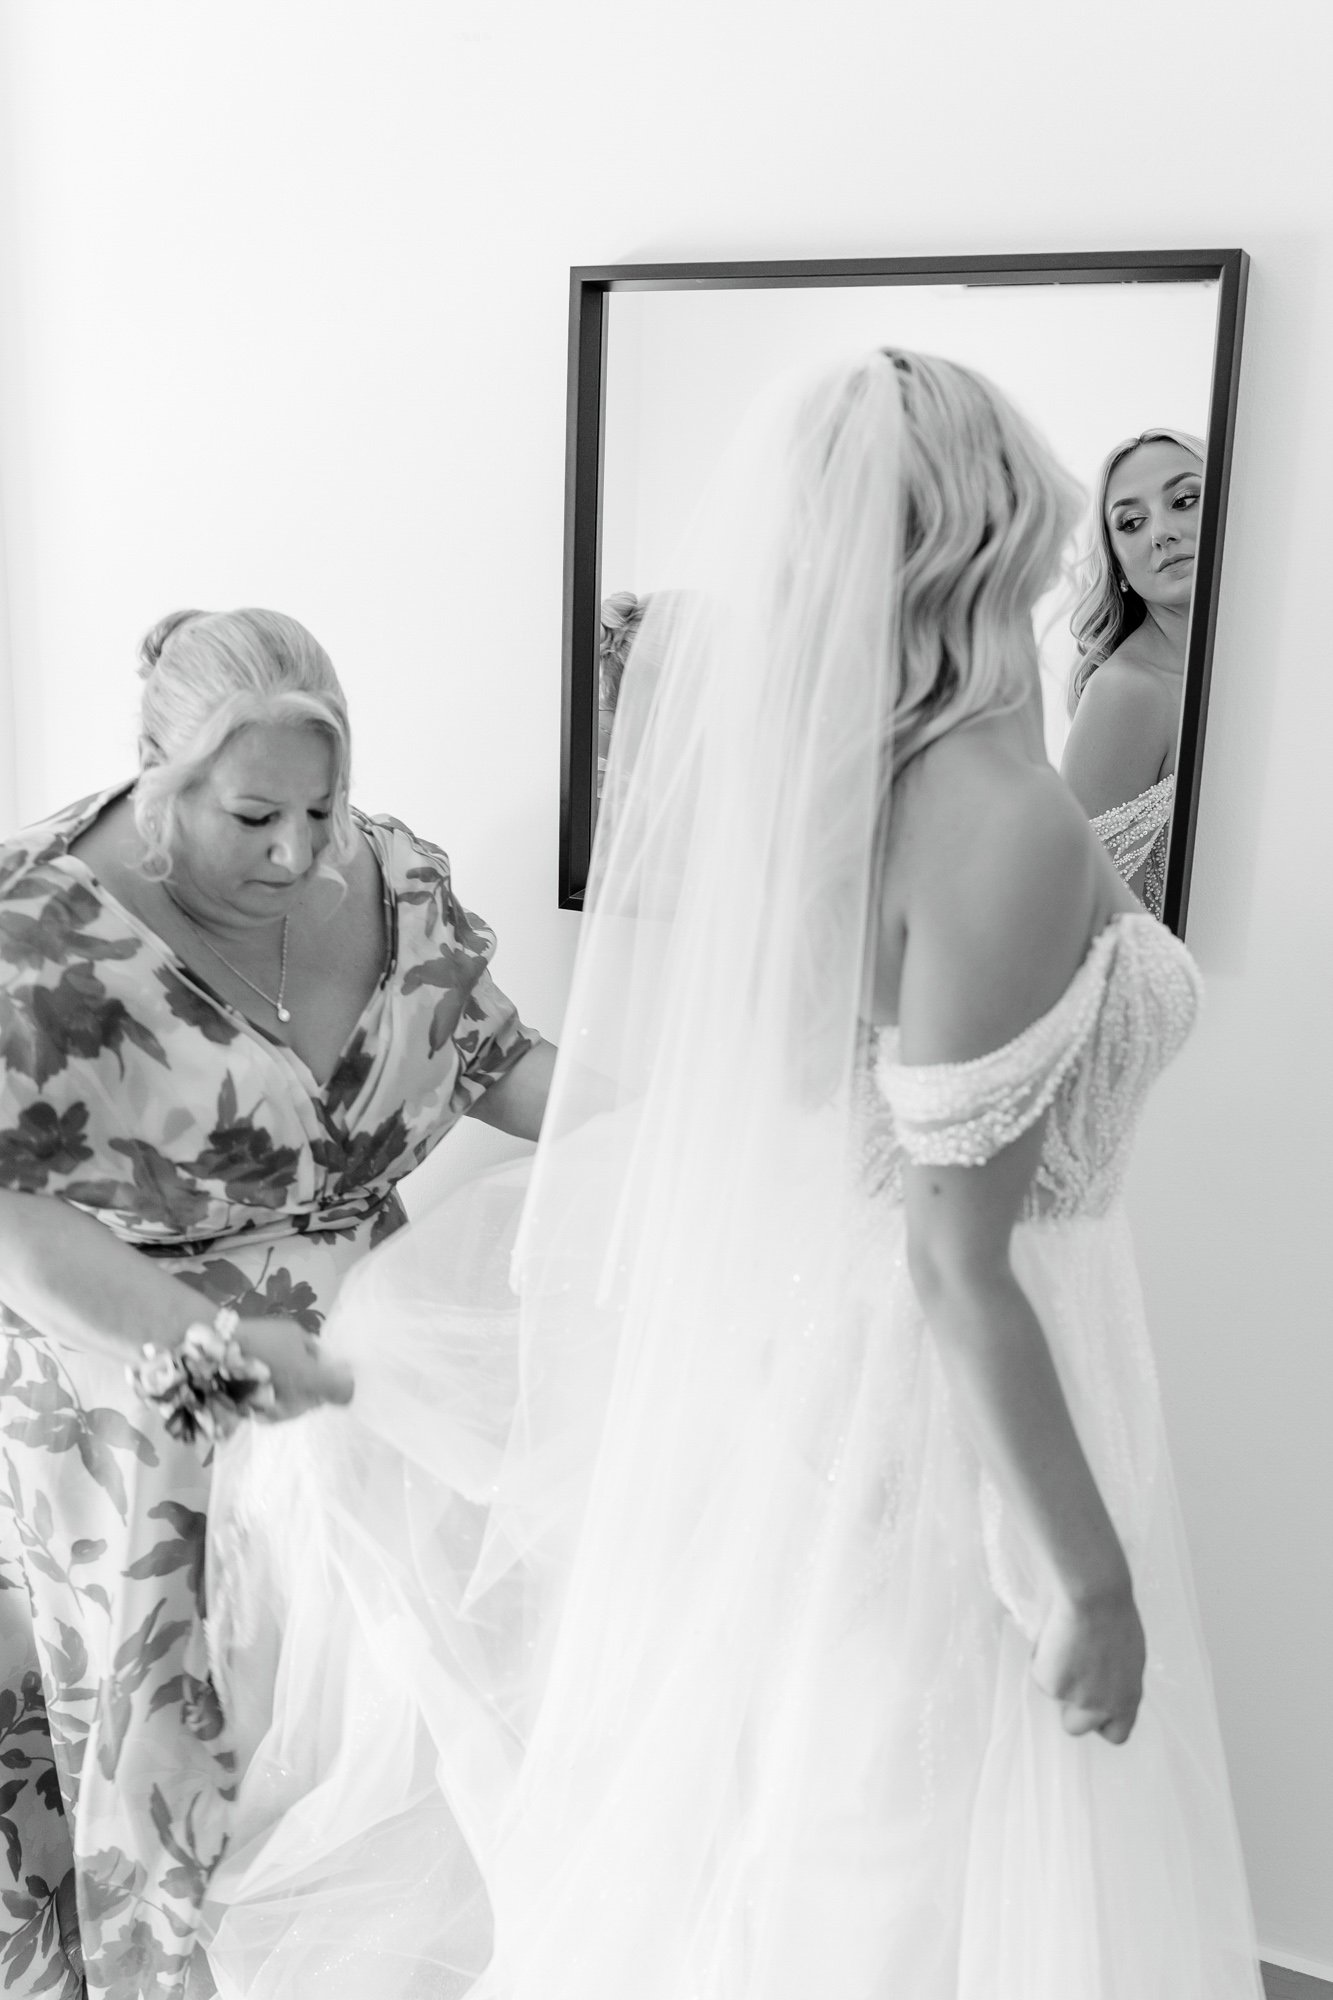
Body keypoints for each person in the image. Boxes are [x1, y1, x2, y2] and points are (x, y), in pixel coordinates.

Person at [201, 363, 1261, 1999]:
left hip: (858, 1354)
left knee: (847, 1800)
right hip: (950, 1375)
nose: (1077, 534)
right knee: (901, 1834)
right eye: (1057, 506)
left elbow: (810, 1108)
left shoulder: (873, 798)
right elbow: (952, 1259)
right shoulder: (998, 819)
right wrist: (1091, 1578)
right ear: (987, 531)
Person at [0, 607, 554, 1998]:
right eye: (254, 816)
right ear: (150, 769)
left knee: (392, 1760)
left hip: (368, 1400)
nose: (299, 852)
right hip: (143, 1412)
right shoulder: (40, 942)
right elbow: (13, 1228)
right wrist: (207, 1337)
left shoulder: (389, 876)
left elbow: (494, 1055)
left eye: (324, 806)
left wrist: (707, 1132)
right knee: (196, 1796)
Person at [1061, 427, 1205, 918]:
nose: (1161, 531)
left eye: (1185, 500)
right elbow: (1078, 917)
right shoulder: (1127, 694)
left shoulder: (1289, 665)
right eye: (1131, 523)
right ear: (1119, 567)